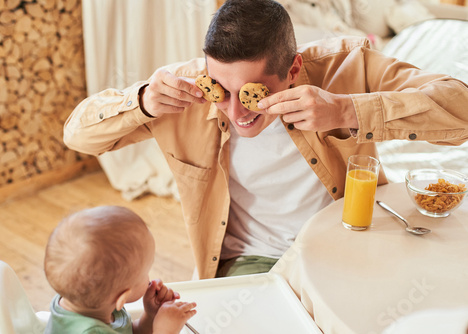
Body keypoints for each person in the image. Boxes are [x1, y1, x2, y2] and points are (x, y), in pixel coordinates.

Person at [63, 0, 468, 279]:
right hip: (254, 259)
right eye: (221, 88)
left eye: (253, 92)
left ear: (293, 68)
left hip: (351, 237)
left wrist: (347, 111)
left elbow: (460, 107)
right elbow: (77, 135)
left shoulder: (345, 67)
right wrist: (141, 104)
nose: (236, 112)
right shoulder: (181, 91)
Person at [44, 206, 196, 333]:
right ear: (121, 298)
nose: (150, 279)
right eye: (145, 274)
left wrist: (150, 317)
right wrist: (165, 331)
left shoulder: (90, 302)